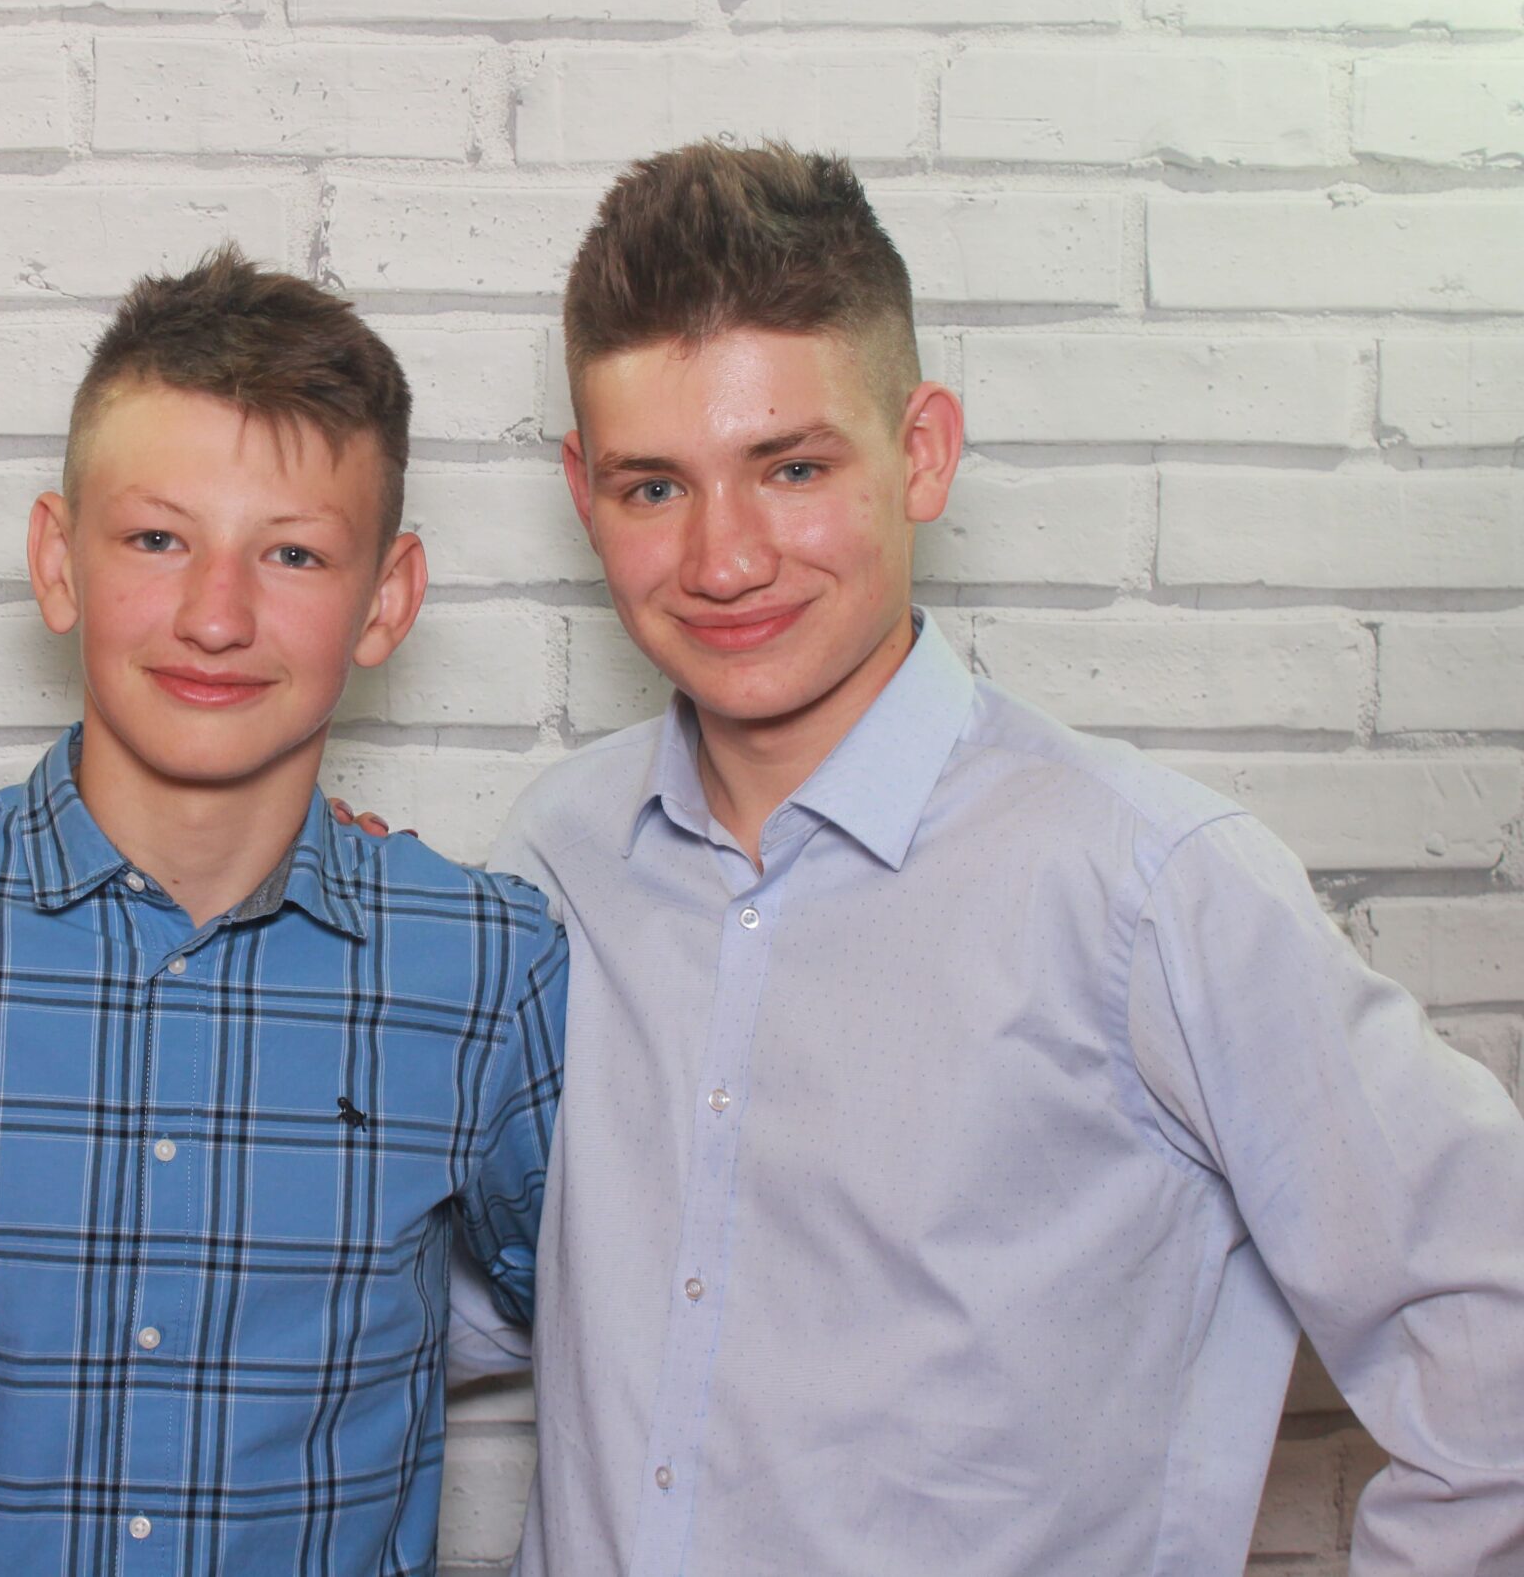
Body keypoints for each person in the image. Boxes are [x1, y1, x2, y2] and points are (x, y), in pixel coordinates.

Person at [451, 141, 1524, 1574]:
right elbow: (491, 1295)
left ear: (924, 452)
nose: (723, 559)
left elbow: (1492, 1329)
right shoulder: (556, 858)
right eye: (655, 488)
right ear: (584, 493)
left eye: (791, 467)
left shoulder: (1147, 887)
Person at [0, 247, 569, 1576]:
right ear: (58, 562)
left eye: (292, 553)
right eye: (158, 539)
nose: (215, 617)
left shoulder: (485, 970)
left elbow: (625, 1334)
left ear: (386, 601)